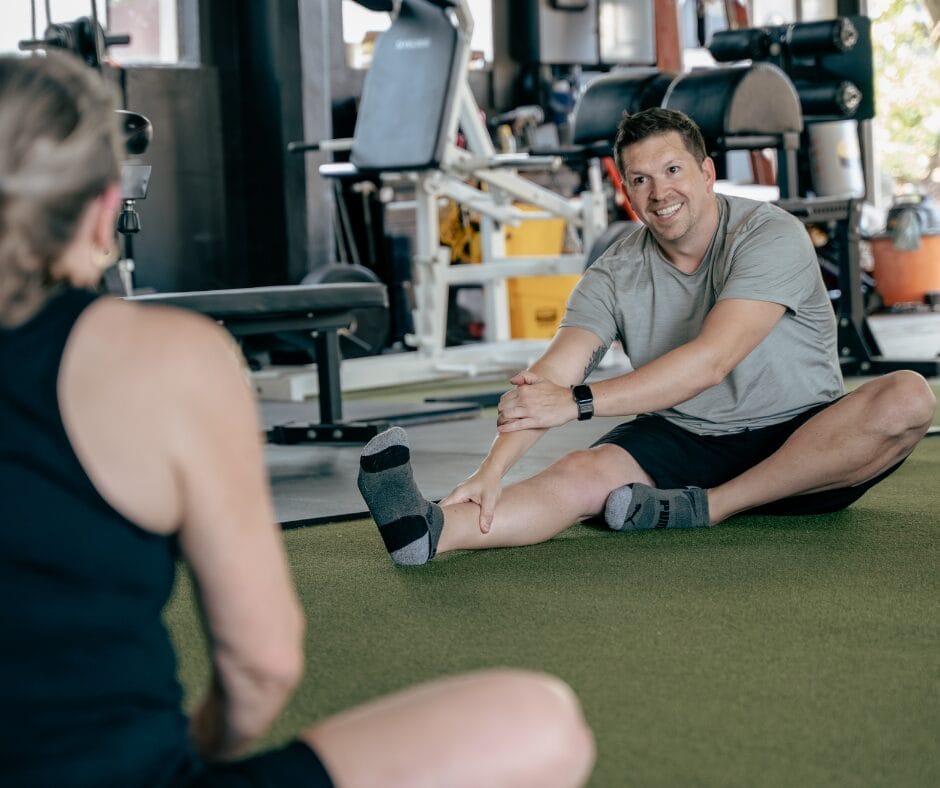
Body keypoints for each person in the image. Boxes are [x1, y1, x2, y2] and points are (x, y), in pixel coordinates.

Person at [0, 52, 595, 787]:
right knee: (536, 721)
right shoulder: (163, 358)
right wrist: (204, 747)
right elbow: (262, 665)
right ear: (101, 207)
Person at [357, 107, 936, 566]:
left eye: (673, 171)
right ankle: (431, 531)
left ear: (706, 172)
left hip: (807, 439)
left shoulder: (769, 234)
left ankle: (708, 509)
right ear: (626, 190)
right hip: (690, 435)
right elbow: (555, 375)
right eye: (641, 179)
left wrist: (580, 403)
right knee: (579, 474)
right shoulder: (613, 272)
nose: (660, 193)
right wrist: (492, 470)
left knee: (908, 395)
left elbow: (712, 360)